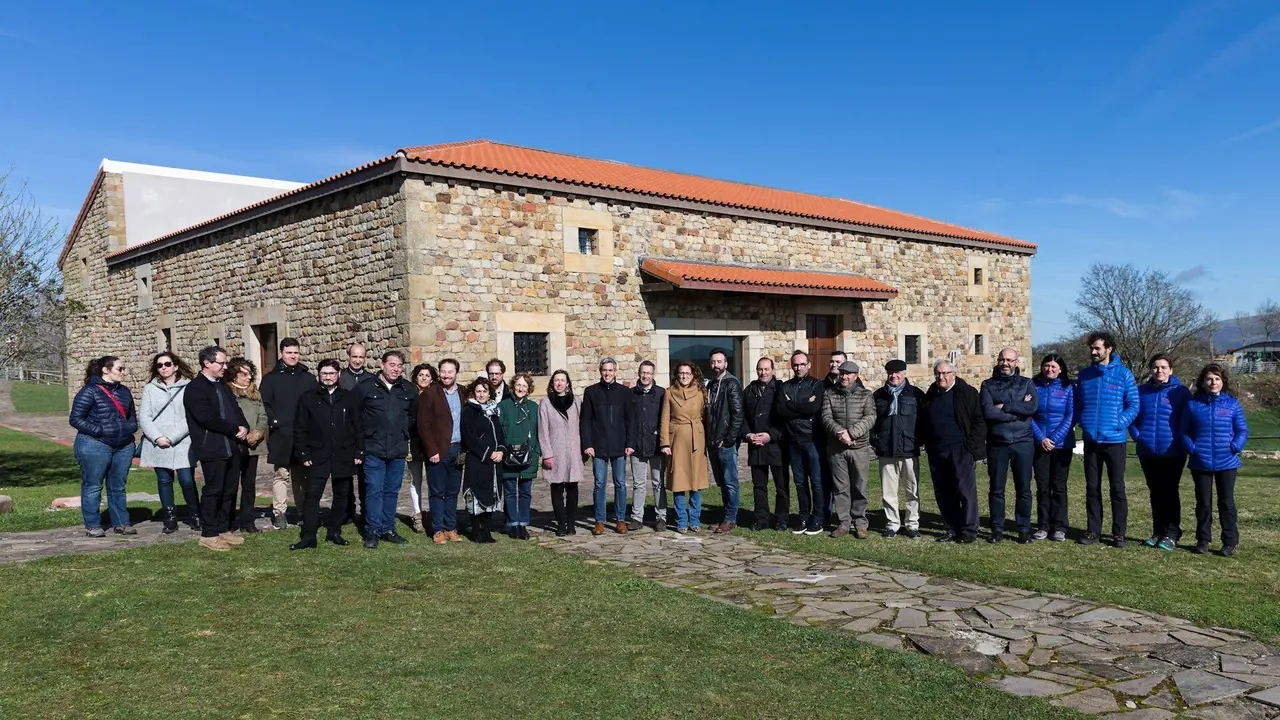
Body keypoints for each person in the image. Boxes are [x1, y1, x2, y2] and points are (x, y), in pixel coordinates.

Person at [1075, 331, 1139, 547]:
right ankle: (1093, 530)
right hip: (1091, 441)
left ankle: (1119, 533)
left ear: (1109, 349)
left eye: (1097, 348)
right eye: (1091, 348)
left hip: (1115, 441)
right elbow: (1079, 404)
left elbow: (1134, 405)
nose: (1093, 352)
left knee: (1117, 488)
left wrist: (1118, 423)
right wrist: (1083, 421)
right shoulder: (1085, 375)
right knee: (1092, 488)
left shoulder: (1124, 374)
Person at [290, 359, 362, 550]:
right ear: (319, 375)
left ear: (338, 375)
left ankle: (334, 531)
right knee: (312, 495)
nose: (328, 377)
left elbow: (358, 426)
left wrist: (358, 451)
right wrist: (304, 454)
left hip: (343, 453)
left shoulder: (349, 397)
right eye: (324, 373)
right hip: (317, 454)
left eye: (331, 373)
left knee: (341, 495)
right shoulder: (308, 398)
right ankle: (309, 535)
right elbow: (300, 428)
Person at [184, 346, 250, 552]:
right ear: (207, 363)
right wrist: (234, 429)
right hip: (211, 447)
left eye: (225, 363)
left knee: (230, 489)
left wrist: (244, 426)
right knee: (214, 490)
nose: (224, 367)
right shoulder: (195, 388)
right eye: (221, 363)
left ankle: (224, 528)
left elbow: (235, 410)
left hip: (232, 446)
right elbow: (206, 418)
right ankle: (209, 533)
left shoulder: (222, 386)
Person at [1180, 364, 1249, 556]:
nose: (1213, 382)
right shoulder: (1193, 404)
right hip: (1200, 461)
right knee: (1203, 503)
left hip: (1227, 461)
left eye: (1217, 379)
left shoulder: (1232, 404)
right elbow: (1184, 430)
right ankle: (1203, 540)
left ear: (1222, 382)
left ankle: (1230, 542)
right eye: (1209, 379)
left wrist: (1235, 446)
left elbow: (1242, 430)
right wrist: (1191, 448)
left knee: (1226, 502)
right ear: (1203, 382)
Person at [69, 356, 139, 537]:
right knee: (93, 486)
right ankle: (93, 525)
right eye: (119, 369)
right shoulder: (89, 391)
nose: (123, 372)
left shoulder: (124, 391)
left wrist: (130, 428)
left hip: (123, 446)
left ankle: (121, 522)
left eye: (123, 368)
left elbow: (131, 415)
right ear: (105, 370)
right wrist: (99, 430)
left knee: (118, 486)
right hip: (95, 444)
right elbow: (75, 418)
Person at [355, 350, 417, 549]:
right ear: (382, 365)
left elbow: (413, 417)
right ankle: (372, 530)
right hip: (373, 448)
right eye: (392, 364)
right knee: (374, 489)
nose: (396, 369)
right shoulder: (365, 387)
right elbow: (355, 417)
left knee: (392, 491)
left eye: (399, 365)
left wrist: (403, 431)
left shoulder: (408, 389)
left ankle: (388, 528)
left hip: (397, 449)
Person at [1131, 354, 1191, 551]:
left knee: (1170, 492)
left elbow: (1188, 419)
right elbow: (1132, 417)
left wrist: (1182, 441)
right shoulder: (1141, 392)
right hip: (1147, 451)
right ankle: (1158, 531)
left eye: (1164, 367)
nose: (1160, 371)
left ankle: (1172, 533)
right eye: (1156, 367)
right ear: (1151, 370)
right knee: (1155, 492)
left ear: (1171, 370)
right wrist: (1138, 435)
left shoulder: (1181, 392)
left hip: (1173, 451)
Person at [921, 360, 986, 543]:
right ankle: (951, 528)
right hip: (937, 450)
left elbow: (979, 421)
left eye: (945, 373)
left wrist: (970, 446)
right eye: (938, 374)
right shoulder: (931, 394)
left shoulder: (967, 392)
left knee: (964, 490)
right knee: (943, 492)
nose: (941, 377)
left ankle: (969, 530)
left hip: (960, 449)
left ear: (953, 374)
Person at [980, 348, 1039, 544]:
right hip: (998, 443)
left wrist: (1005, 407)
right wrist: (1018, 410)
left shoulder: (1027, 383)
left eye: (1009, 360)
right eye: (1002, 360)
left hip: (1023, 442)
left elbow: (1032, 408)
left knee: (1024, 489)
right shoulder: (988, 385)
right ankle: (997, 529)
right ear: (998, 361)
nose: (1005, 363)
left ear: (1016, 362)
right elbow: (989, 412)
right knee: (996, 489)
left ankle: (1023, 529)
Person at [139, 351, 197, 534]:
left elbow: (191, 416)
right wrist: (157, 437)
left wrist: (172, 437)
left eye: (167, 364)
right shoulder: (150, 389)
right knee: (164, 480)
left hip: (182, 441)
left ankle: (195, 514)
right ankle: (170, 517)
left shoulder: (189, 387)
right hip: (158, 441)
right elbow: (145, 416)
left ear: (176, 366)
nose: (163, 368)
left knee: (187, 480)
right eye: (160, 365)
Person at [260, 337, 315, 530]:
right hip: (281, 434)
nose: (293, 356)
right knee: (281, 474)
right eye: (289, 352)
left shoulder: (308, 378)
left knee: (301, 476)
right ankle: (279, 513)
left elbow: (314, 403)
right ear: (281, 353)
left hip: (303, 436)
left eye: (296, 352)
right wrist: (275, 422)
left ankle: (302, 510)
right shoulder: (270, 379)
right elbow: (265, 404)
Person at [820, 360, 877, 538]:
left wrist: (851, 434)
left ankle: (860, 523)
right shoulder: (830, 393)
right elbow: (826, 417)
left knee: (859, 486)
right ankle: (844, 523)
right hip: (836, 449)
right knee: (840, 488)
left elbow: (870, 417)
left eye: (848, 374)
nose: (844, 377)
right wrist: (840, 433)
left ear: (855, 376)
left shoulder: (865, 394)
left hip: (859, 448)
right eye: (842, 373)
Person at [871, 359, 924, 539]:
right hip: (886, 449)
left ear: (904, 373)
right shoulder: (879, 396)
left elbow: (923, 420)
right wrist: (876, 441)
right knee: (888, 491)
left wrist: (918, 441)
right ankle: (892, 524)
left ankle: (912, 524)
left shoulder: (915, 394)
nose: (894, 376)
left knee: (912, 490)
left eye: (897, 372)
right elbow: (873, 422)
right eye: (890, 373)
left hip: (908, 449)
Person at [419, 358, 469, 543]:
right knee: (437, 491)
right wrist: (431, 450)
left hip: (458, 449)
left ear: (456, 373)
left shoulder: (464, 392)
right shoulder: (430, 393)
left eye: (450, 372)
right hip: (438, 450)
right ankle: (438, 529)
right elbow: (423, 425)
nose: (446, 375)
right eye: (443, 371)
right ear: (439, 372)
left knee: (452, 491)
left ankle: (450, 527)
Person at [776, 350, 825, 535]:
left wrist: (792, 405)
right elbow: (781, 410)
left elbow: (814, 407)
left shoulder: (817, 385)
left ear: (808, 365)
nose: (799, 368)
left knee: (816, 483)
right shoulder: (785, 386)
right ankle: (803, 517)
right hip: (792, 440)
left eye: (802, 364)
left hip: (812, 439)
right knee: (799, 482)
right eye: (795, 365)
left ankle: (818, 519)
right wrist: (803, 406)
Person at [581, 357, 629, 535]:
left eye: (610, 370)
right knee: (599, 483)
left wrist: (630, 444)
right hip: (598, 445)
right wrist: (587, 444)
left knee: (620, 483)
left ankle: (620, 519)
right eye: (604, 370)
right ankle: (599, 521)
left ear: (615, 372)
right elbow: (585, 420)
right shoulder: (591, 392)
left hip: (619, 445)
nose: (607, 373)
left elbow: (630, 420)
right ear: (600, 371)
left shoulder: (624, 392)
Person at [661, 361, 709, 534]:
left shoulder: (701, 392)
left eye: (687, 373)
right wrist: (665, 443)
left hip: (697, 438)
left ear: (693, 374)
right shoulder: (669, 393)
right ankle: (681, 520)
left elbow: (705, 416)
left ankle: (694, 519)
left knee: (696, 482)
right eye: (681, 373)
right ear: (677, 374)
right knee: (679, 481)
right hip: (677, 440)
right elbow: (665, 419)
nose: (684, 376)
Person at [1031, 354, 1075, 542]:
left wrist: (1054, 439)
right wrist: (1041, 438)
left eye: (1053, 366)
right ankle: (1043, 525)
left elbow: (1072, 415)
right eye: (1046, 365)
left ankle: (1059, 527)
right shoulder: (1033, 385)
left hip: (1062, 445)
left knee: (1058, 487)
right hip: (1039, 444)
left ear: (1061, 369)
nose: (1049, 369)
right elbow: (1029, 414)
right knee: (1042, 486)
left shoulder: (1069, 387)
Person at [742, 357, 788, 532]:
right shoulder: (750, 390)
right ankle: (761, 519)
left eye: (766, 369)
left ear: (773, 370)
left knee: (781, 486)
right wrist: (748, 435)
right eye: (760, 369)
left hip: (776, 445)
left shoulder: (781, 389)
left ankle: (781, 519)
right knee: (759, 486)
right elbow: (742, 417)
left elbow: (785, 418)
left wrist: (771, 435)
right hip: (756, 445)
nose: (763, 373)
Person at [460, 377, 506, 543]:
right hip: (477, 460)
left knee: (490, 494)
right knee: (476, 494)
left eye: (484, 391)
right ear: (474, 393)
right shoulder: (469, 411)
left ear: (489, 393)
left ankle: (487, 531)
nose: (481, 394)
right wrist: (487, 453)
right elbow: (469, 437)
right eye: (478, 391)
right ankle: (476, 531)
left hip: (494, 463)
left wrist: (501, 451)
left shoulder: (494, 411)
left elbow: (499, 434)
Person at [539, 370, 584, 536]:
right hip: (555, 451)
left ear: (567, 383)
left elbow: (583, 425)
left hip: (573, 451)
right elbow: (543, 430)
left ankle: (571, 523)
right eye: (556, 380)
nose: (559, 383)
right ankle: (561, 524)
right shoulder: (546, 403)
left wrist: (584, 448)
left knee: (572, 487)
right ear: (552, 383)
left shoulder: (576, 401)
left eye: (562, 380)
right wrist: (547, 454)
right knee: (556, 487)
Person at [226, 358, 268, 533]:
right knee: (231, 485)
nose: (248, 377)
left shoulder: (255, 393)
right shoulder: (228, 392)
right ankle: (228, 521)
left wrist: (257, 432)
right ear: (234, 375)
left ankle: (247, 522)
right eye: (244, 374)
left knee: (249, 486)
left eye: (250, 373)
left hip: (253, 445)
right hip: (235, 444)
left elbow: (263, 415)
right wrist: (242, 435)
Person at [706, 348, 745, 533]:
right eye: (713, 362)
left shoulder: (732, 384)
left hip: (725, 443)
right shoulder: (711, 385)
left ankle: (731, 518)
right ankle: (725, 516)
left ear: (726, 364)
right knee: (721, 482)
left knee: (730, 481)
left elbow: (738, 414)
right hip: (713, 442)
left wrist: (729, 440)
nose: (716, 365)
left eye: (719, 362)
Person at [625, 360, 667, 531]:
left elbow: (665, 418)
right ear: (638, 373)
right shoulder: (631, 394)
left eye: (649, 373)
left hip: (656, 446)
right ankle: (637, 517)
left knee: (658, 483)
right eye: (643, 372)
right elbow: (627, 419)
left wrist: (661, 437)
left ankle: (661, 517)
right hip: (637, 446)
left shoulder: (662, 394)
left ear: (653, 374)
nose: (645, 376)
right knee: (639, 483)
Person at [498, 372, 540, 539]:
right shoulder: (503, 406)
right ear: (513, 386)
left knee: (525, 492)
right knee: (510, 492)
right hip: (509, 456)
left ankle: (522, 524)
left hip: (528, 456)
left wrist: (537, 451)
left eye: (524, 386)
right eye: (518, 385)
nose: (521, 388)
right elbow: (499, 431)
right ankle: (513, 523)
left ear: (528, 389)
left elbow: (538, 431)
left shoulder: (534, 408)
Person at [339, 342, 374, 527]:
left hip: (365, 433)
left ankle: (366, 510)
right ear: (348, 357)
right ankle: (348, 511)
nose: (358, 360)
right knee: (345, 476)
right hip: (345, 432)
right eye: (355, 356)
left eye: (361, 357)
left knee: (365, 476)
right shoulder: (340, 377)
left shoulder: (372, 379)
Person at [405, 362, 437, 534]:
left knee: (434, 481)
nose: (424, 378)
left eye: (427, 375)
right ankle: (417, 515)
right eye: (421, 375)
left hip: (432, 443)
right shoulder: (410, 394)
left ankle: (434, 514)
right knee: (416, 479)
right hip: (415, 442)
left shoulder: (436, 394)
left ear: (432, 379)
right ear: (416, 377)